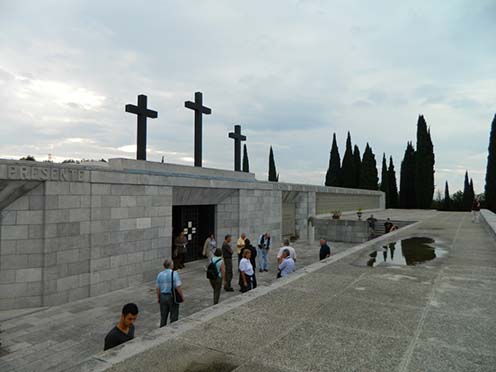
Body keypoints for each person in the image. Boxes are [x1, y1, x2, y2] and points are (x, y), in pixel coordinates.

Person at [156, 259, 185, 327]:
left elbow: (157, 288)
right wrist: (182, 296)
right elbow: (178, 287)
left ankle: (162, 330)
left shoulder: (159, 274)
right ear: (171, 265)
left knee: (163, 316)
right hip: (172, 296)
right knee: (174, 316)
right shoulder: (174, 273)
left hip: (162, 296)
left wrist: (158, 298)